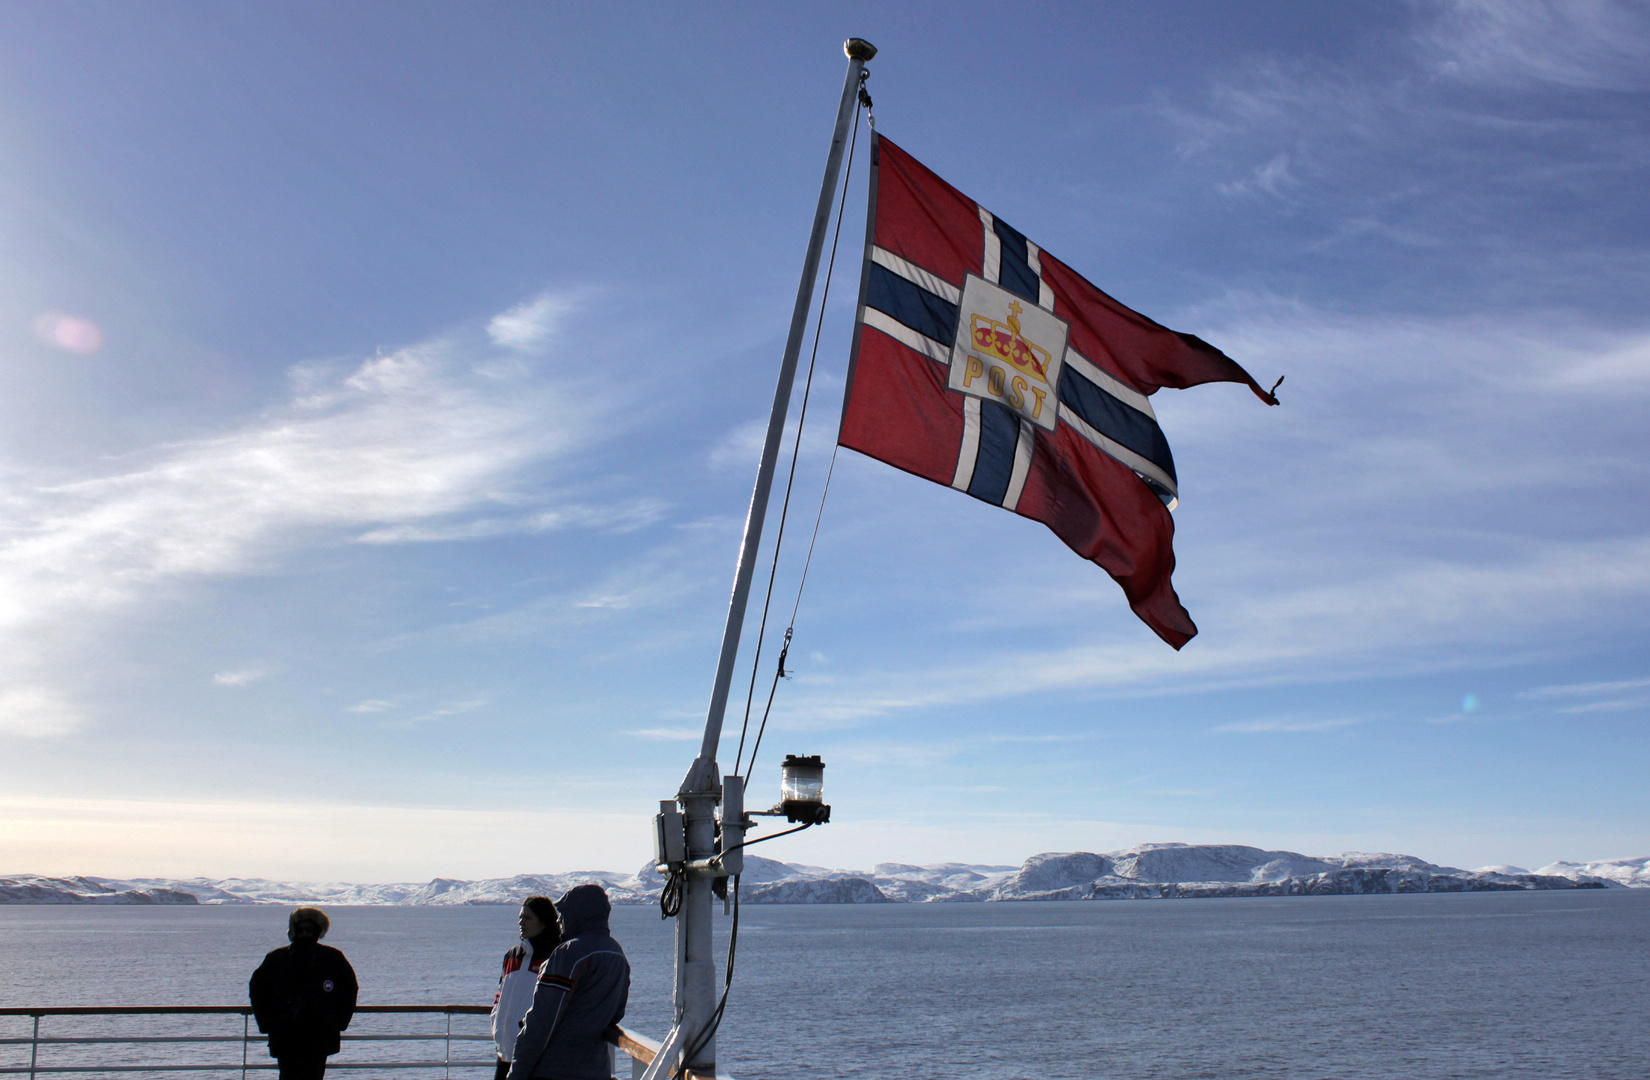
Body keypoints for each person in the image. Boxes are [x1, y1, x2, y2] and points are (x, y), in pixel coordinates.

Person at [507, 884, 630, 1080]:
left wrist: (517, 1073)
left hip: (554, 1070)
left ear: (579, 913)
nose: (559, 919)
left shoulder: (569, 953)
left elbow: (542, 1021)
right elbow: (617, 1013)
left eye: (564, 913)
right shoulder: (617, 954)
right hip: (595, 1070)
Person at [248, 907, 359, 1080]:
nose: (305, 934)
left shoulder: (333, 958)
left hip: (318, 1036)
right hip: (286, 1035)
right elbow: (257, 990)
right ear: (293, 931)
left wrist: (338, 1022)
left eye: (310, 930)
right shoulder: (276, 959)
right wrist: (267, 1023)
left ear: (318, 932)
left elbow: (349, 990)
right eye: (301, 930)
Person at [491, 895, 564, 1080]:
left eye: (527, 917)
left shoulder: (555, 957)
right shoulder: (512, 955)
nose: (520, 922)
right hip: (505, 1051)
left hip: (535, 1056)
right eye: (520, 917)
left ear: (544, 922)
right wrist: (496, 1026)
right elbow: (500, 995)